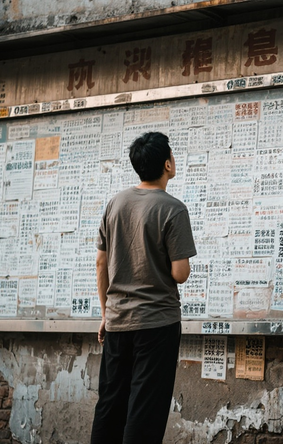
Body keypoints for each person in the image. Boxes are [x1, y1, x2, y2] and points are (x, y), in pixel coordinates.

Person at [90, 132, 197, 444]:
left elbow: (100, 264)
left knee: (110, 404)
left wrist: (105, 314)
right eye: (173, 156)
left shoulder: (115, 204)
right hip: (156, 324)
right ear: (167, 164)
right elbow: (180, 273)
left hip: (117, 322)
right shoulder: (173, 209)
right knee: (145, 410)